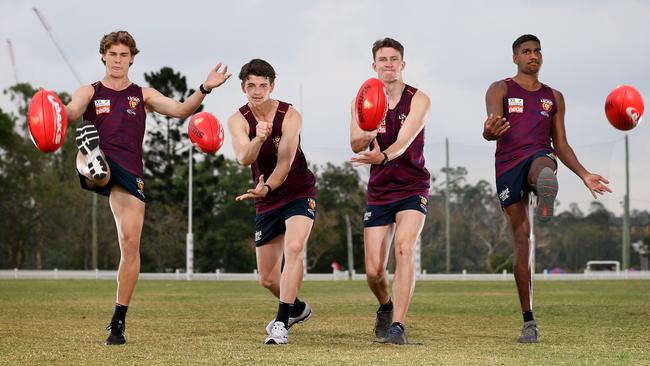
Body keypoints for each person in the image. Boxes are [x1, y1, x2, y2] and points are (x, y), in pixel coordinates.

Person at [63, 30, 231, 345]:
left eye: (123, 55)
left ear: (132, 58)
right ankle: (91, 161)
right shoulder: (89, 91)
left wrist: (205, 87)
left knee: (129, 245)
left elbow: (182, 110)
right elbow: (72, 111)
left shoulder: (143, 95)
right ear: (103, 56)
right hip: (100, 161)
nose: (117, 60)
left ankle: (118, 321)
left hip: (129, 174)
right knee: (95, 167)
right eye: (112, 54)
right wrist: (57, 114)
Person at [482, 34, 611, 343]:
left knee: (543, 165)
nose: (533, 56)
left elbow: (561, 144)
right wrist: (489, 131)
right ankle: (528, 321)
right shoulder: (500, 88)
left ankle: (544, 188)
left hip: (540, 156)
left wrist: (583, 174)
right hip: (507, 167)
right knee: (522, 240)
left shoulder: (554, 97)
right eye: (526, 51)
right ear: (516, 58)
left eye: (537, 51)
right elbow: (491, 123)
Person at [228, 59, 316, 345]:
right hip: (266, 200)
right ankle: (298, 309)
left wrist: (267, 186)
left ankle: (281, 323)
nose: (257, 91)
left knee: (294, 247)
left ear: (272, 86)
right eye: (251, 85)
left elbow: (286, 160)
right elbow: (244, 157)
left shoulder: (291, 115)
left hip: (298, 191)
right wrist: (258, 138)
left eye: (263, 85)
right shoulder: (238, 119)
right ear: (243, 87)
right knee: (267, 278)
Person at [350, 38, 431, 345]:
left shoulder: (420, 99)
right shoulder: (363, 100)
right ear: (374, 65)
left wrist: (382, 155)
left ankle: (398, 327)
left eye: (393, 59)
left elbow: (404, 142)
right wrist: (368, 131)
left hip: (412, 186)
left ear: (402, 64)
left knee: (405, 248)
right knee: (373, 271)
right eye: (382, 59)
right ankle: (386, 306)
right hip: (380, 190)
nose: (388, 64)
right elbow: (355, 144)